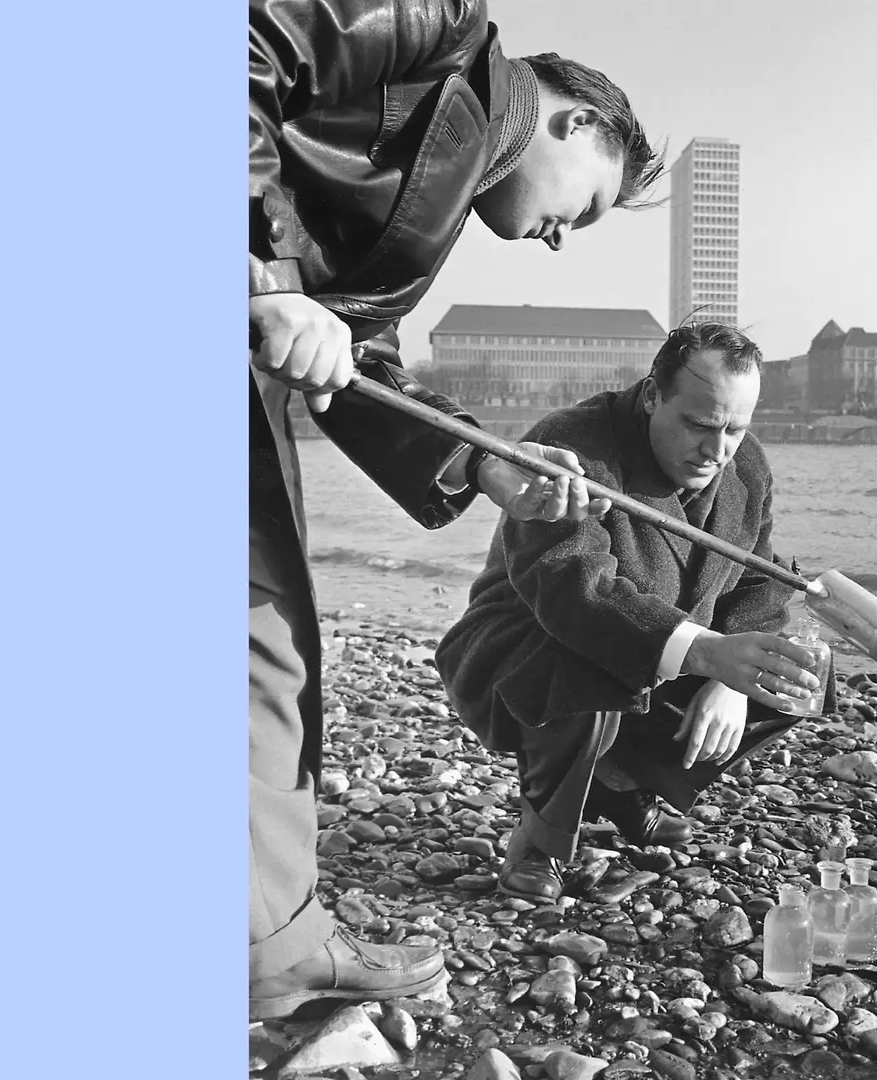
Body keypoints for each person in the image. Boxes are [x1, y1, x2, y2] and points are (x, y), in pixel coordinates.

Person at [248, 0, 664, 1022]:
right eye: (594, 207)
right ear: (580, 124)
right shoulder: (438, 20)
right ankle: (271, 948)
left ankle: (269, 943)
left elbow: (357, 354)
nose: (569, 244)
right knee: (263, 648)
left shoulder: (433, 218)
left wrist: (486, 467)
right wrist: (257, 265)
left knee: (268, 651)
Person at [436, 324, 829, 903]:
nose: (716, 451)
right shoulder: (570, 445)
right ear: (652, 396)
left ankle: (622, 785)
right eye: (698, 425)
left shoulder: (745, 465)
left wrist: (734, 679)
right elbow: (572, 588)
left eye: (735, 429)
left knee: (800, 672)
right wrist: (710, 654)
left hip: (658, 654)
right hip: (524, 648)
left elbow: (757, 578)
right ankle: (539, 841)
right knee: (588, 660)